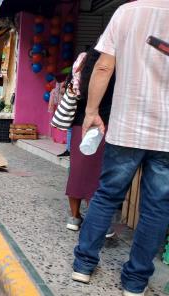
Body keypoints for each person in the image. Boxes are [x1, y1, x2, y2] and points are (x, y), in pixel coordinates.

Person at [71, 2, 169, 296]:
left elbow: (103, 65)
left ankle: (83, 266)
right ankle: (135, 283)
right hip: (166, 135)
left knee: (107, 196)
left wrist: (91, 110)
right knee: (157, 207)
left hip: (127, 126)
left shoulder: (127, 12)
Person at [65, 48, 114, 232]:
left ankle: (74, 217)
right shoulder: (115, 66)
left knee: (77, 171)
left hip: (80, 122)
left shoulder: (80, 64)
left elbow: (72, 89)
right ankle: (100, 222)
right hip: (105, 124)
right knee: (98, 173)